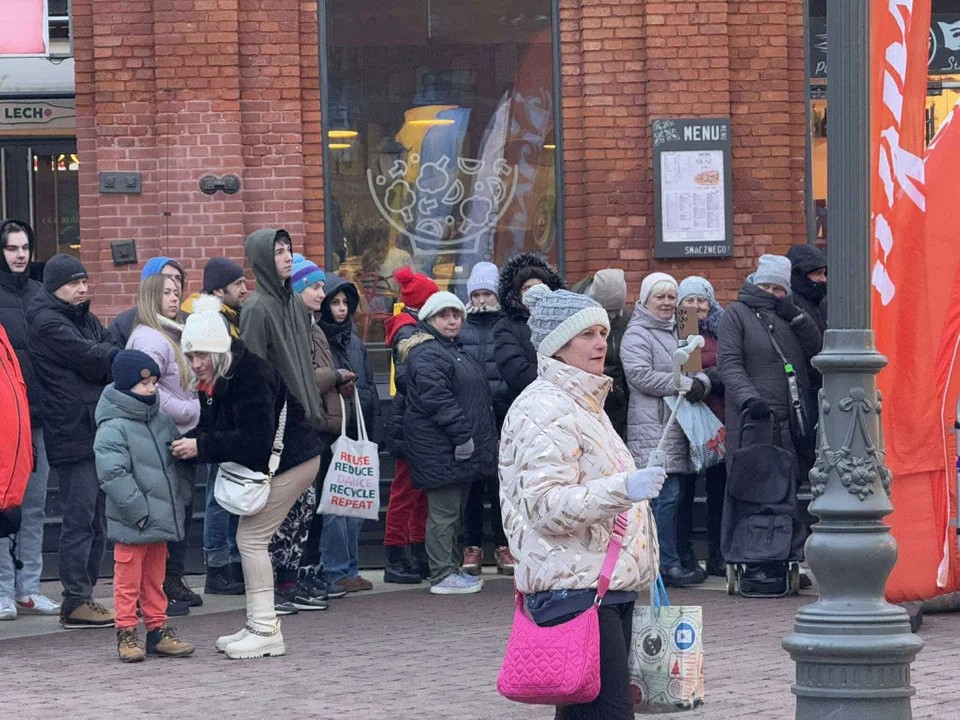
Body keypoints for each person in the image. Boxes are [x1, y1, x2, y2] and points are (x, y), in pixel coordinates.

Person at [499, 285, 665, 720]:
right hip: (574, 589)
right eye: (587, 334)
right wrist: (624, 489)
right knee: (606, 713)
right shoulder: (543, 408)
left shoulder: (584, 404)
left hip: (600, 585)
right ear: (558, 344)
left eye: (603, 332)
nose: (601, 343)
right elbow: (546, 505)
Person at [171, 296, 325, 659]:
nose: (196, 364)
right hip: (288, 460)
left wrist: (200, 447)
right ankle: (258, 623)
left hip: (294, 461)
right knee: (251, 539)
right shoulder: (225, 373)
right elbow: (218, 429)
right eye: (191, 356)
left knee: (252, 540)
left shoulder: (251, 375)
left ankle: (266, 629)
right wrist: (198, 442)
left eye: (201, 356)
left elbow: (254, 441)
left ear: (220, 351)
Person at [717, 254, 821, 591]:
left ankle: (782, 555)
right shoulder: (737, 314)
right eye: (767, 286)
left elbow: (818, 352)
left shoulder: (790, 316)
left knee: (786, 492)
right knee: (752, 490)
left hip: (790, 422)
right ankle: (752, 558)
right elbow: (730, 363)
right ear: (754, 283)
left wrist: (801, 320)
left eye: (779, 288)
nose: (773, 293)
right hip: (754, 421)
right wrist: (750, 399)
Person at [27, 254, 119, 628]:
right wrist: (111, 357)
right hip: (72, 431)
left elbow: (105, 348)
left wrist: (107, 355)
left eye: (84, 281)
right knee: (80, 519)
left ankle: (86, 597)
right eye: (74, 283)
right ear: (55, 287)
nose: (83, 288)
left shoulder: (84, 317)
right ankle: (75, 599)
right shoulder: (48, 321)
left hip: (94, 428)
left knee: (97, 520)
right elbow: (95, 359)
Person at [240, 229, 330, 611]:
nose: (287, 257)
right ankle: (272, 585)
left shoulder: (294, 303)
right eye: (278, 252)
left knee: (302, 507)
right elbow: (253, 368)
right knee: (276, 509)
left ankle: (290, 579)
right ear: (263, 258)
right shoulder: (257, 307)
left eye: (289, 250)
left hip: (304, 416)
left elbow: (306, 361)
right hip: (277, 422)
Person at [94, 350, 195, 663]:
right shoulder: (113, 426)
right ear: (126, 387)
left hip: (159, 518)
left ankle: (157, 629)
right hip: (134, 520)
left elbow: (170, 465)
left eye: (153, 382)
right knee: (127, 580)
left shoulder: (160, 419)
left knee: (155, 578)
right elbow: (113, 475)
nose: (151, 389)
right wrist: (139, 512)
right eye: (143, 384)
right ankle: (126, 631)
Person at [399, 291, 496, 595]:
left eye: (456, 314)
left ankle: (451, 569)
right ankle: (441, 574)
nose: (452, 320)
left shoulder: (453, 349)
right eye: (444, 315)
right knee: (443, 513)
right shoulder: (429, 352)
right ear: (429, 319)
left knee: (453, 511)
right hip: (442, 447)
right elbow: (437, 399)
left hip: (456, 448)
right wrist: (463, 436)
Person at [621, 272, 710, 588]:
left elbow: (697, 370)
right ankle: (663, 565)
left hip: (681, 427)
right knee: (666, 497)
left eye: (672, 296)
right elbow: (639, 376)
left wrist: (701, 383)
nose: (668, 302)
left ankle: (678, 560)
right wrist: (685, 383)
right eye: (660, 296)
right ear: (645, 299)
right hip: (654, 428)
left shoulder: (685, 324)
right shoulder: (637, 334)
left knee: (680, 496)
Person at [127, 272, 204, 612]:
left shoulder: (169, 333)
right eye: (167, 293)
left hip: (175, 438)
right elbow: (148, 389)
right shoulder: (152, 339)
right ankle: (157, 591)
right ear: (151, 297)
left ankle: (169, 581)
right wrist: (191, 410)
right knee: (167, 513)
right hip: (164, 439)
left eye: (177, 291)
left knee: (180, 511)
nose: (175, 298)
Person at [0, 220, 59, 619]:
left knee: (35, 505)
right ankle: (3, 589)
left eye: (25, 247)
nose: (20, 254)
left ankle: (29, 588)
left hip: (39, 416)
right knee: (4, 508)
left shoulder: (41, 294)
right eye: (11, 248)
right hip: (5, 419)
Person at [287, 255, 354, 601]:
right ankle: (294, 576)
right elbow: (303, 379)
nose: (321, 292)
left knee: (315, 509)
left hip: (324, 426)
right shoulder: (294, 328)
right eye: (314, 287)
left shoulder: (314, 327)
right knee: (300, 508)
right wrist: (337, 376)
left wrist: (342, 383)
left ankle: (310, 572)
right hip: (305, 427)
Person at [181, 256, 248, 594]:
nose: (245, 289)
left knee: (228, 491)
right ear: (220, 289)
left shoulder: (226, 319)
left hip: (223, 414)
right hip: (218, 415)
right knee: (219, 495)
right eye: (238, 284)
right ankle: (218, 568)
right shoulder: (211, 321)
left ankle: (229, 564)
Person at [317, 270, 382, 593]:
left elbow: (369, 383)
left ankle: (352, 567)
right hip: (331, 432)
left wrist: (371, 424)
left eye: (346, 302)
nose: (341, 309)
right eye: (335, 302)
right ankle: (334, 569)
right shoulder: (318, 338)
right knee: (336, 504)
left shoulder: (355, 341)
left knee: (355, 501)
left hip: (357, 429)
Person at [382, 267, 440, 584]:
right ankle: (396, 553)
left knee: (419, 492)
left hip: (413, 420)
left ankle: (416, 551)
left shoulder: (410, 327)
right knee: (406, 492)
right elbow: (411, 377)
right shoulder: (409, 332)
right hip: (410, 422)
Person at [458, 262, 515, 576]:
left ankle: (503, 544)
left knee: (501, 485)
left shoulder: (505, 325)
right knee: (473, 486)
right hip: (471, 417)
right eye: (476, 294)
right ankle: (472, 546)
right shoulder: (462, 325)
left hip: (502, 414)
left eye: (487, 294)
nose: (481, 300)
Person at [678, 276, 727, 578]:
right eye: (689, 301)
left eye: (701, 301)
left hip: (720, 420)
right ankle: (685, 555)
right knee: (684, 492)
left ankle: (718, 554)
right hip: (688, 423)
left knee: (719, 491)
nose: (696, 307)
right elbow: (688, 371)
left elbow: (731, 364)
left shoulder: (723, 330)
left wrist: (710, 379)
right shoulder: (682, 332)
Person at [494, 253, 565, 416]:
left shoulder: (563, 321)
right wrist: (558, 379)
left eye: (539, 286)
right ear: (517, 294)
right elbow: (516, 371)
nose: (535, 292)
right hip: (527, 408)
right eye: (527, 288)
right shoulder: (506, 327)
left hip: (564, 407)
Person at [572, 268, 632, 440]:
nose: (613, 317)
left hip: (616, 402)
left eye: (617, 311)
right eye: (608, 311)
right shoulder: (575, 317)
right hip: (583, 397)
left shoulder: (626, 321)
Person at [110, 257, 186, 347]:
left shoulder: (189, 321)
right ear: (150, 284)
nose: (175, 282)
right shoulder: (124, 324)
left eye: (178, 278)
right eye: (167, 277)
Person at [181, 256, 248, 337]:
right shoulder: (206, 321)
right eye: (238, 284)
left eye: (243, 282)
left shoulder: (231, 314)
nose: (244, 290)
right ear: (218, 291)